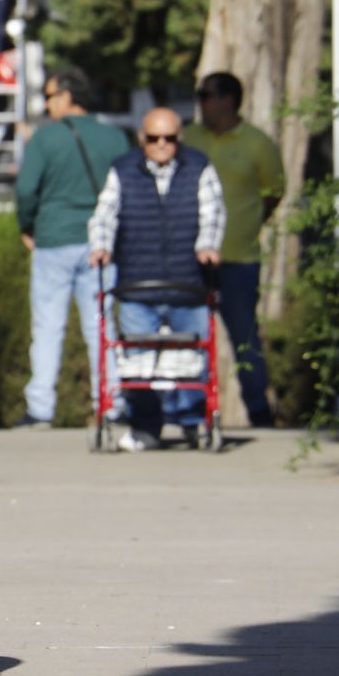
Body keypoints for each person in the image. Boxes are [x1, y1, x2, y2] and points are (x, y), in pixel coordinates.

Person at [87, 107, 225, 450]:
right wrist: (101, 246)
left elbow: (213, 211)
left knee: (193, 360)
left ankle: (195, 424)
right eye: (153, 138)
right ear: (141, 139)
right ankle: (146, 428)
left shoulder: (198, 165)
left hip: (187, 282)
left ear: (180, 138)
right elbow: (105, 213)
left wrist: (207, 246)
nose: (162, 145)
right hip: (137, 282)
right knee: (138, 362)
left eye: (170, 138)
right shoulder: (123, 169)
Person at [14, 67, 132, 428]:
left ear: (67, 96)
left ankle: (41, 409)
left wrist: (27, 225)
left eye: (50, 96)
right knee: (102, 327)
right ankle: (110, 404)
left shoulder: (45, 140)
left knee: (48, 327)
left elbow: (25, 191)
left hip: (53, 240)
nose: (47, 104)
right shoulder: (116, 139)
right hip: (102, 245)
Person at [181, 72, 283, 425]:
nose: (200, 102)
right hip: (191, 259)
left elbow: (273, 192)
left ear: (228, 99)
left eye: (205, 95)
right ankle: (191, 412)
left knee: (244, 339)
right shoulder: (189, 138)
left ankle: (259, 412)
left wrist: (249, 224)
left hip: (239, 258)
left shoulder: (257, 143)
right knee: (189, 335)